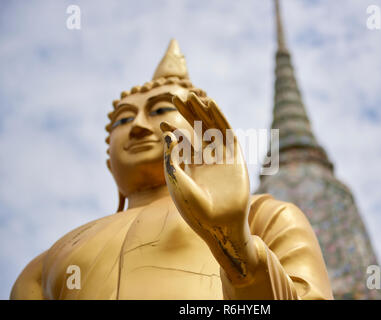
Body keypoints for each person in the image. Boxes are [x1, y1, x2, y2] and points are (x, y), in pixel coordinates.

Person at [10, 40, 333, 300]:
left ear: (208, 133)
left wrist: (235, 247)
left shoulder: (262, 217)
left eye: (160, 109)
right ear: (110, 167)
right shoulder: (44, 265)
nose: (137, 126)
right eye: (123, 119)